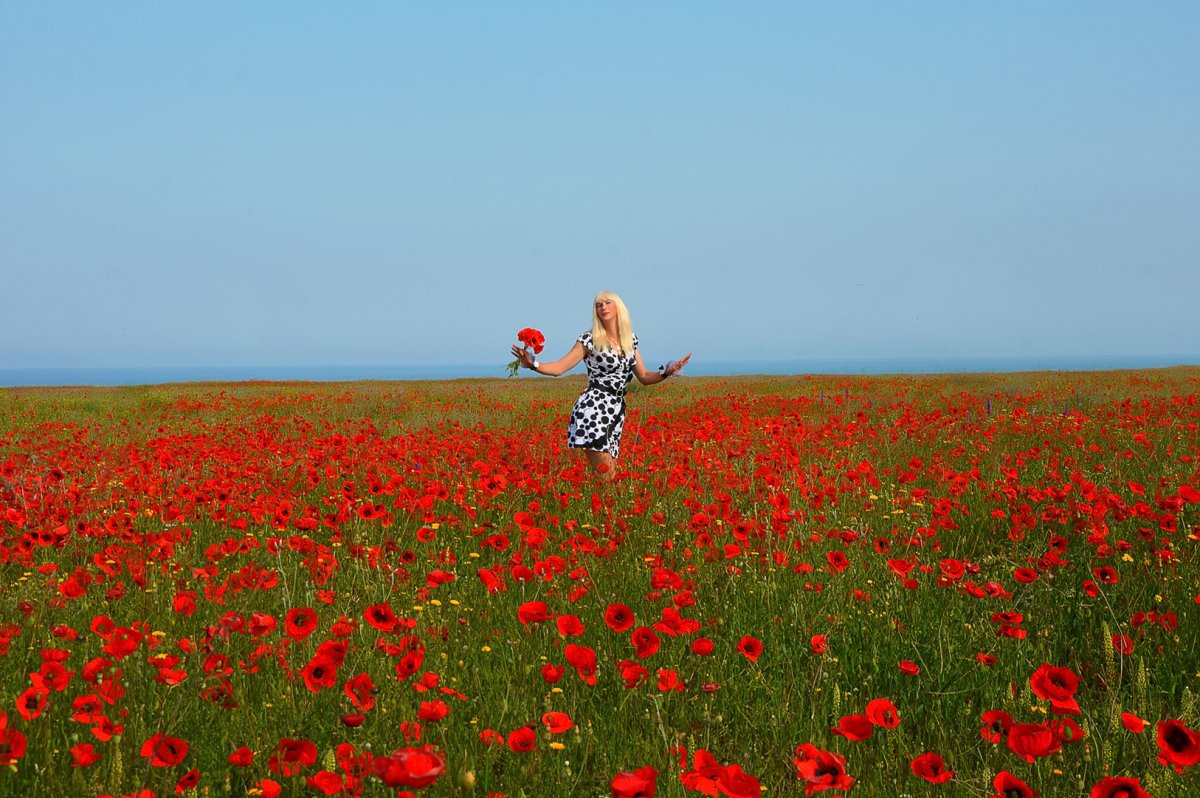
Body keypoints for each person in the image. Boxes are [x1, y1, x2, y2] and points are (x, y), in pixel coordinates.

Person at [510, 291, 691, 478]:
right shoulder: (589, 340)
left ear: (618, 307)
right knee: (607, 478)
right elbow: (559, 367)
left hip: (616, 413)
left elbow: (644, 376)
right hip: (593, 409)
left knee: (606, 480)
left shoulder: (630, 340)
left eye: (607, 302)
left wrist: (667, 372)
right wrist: (534, 364)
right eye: (598, 305)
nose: (603, 307)